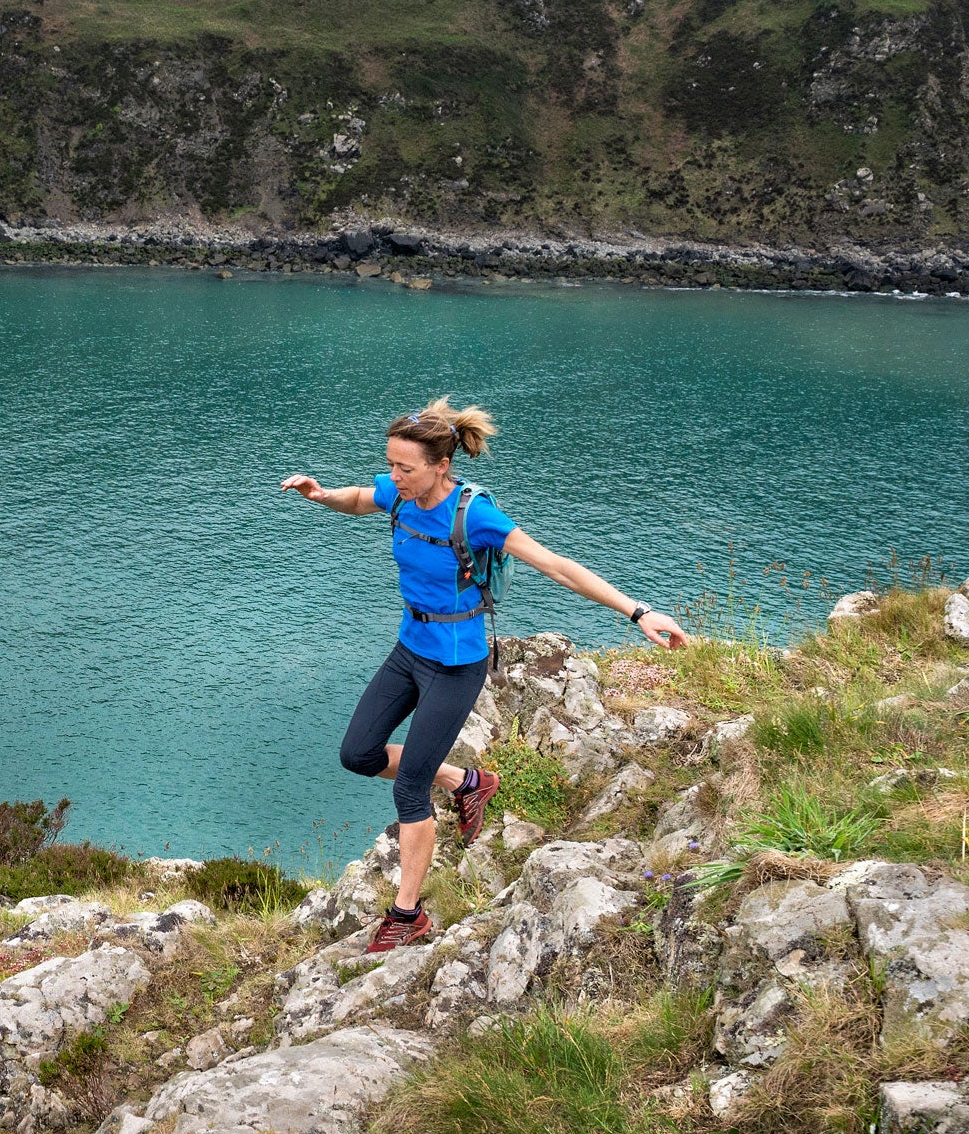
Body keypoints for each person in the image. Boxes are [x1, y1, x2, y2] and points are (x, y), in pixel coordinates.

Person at [281, 398, 689, 954]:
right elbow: (359, 497)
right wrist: (322, 495)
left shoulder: (473, 516)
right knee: (358, 754)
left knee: (408, 788)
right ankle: (467, 782)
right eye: (391, 465)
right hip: (409, 650)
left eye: (406, 468)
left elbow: (557, 566)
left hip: (457, 663)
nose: (393, 477)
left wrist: (638, 612)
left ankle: (408, 915)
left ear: (440, 466)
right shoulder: (398, 494)